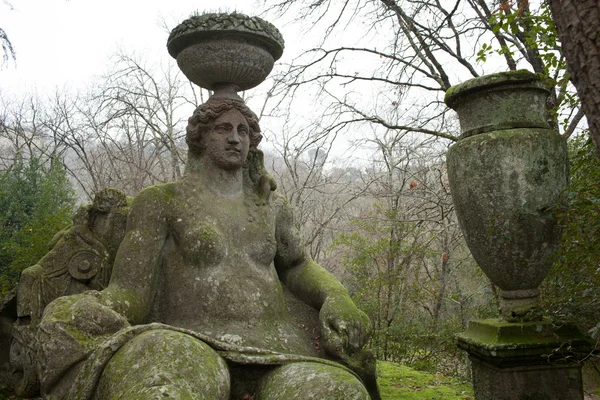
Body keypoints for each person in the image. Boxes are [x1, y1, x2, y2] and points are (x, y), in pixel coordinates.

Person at [36, 98, 375, 399]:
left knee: (338, 391)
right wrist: (91, 308)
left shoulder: (272, 206)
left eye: (243, 131)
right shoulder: (161, 201)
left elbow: (298, 264)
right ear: (200, 137)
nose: (234, 138)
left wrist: (337, 297)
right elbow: (130, 291)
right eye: (223, 128)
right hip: (188, 339)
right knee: (163, 387)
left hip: (280, 349)